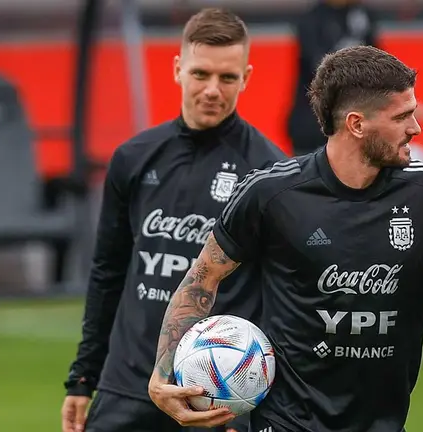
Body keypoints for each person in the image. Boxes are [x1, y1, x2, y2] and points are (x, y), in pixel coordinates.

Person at [147, 45, 423, 432]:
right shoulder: (271, 192)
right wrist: (163, 375)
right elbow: (202, 278)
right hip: (287, 420)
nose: (415, 128)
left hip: (383, 422)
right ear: (356, 124)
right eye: (402, 116)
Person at [60, 8, 286, 432]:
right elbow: (107, 273)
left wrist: (254, 406)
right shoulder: (133, 157)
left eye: (228, 78)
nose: (213, 90)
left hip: (216, 398)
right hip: (127, 384)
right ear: (178, 69)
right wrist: (83, 376)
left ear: (247, 78)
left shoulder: (270, 172)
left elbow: (280, 299)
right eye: (201, 74)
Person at [287, 0, 379, 156]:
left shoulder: (361, 16)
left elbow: (378, 64)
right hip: (314, 122)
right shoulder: (312, 20)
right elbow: (319, 67)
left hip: (355, 122)